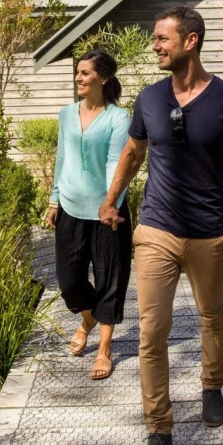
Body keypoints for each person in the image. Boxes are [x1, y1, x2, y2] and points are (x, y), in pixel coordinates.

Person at [99, 5, 223, 445]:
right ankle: (159, 430)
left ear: (191, 41)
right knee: (152, 332)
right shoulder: (148, 99)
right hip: (156, 231)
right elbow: (133, 154)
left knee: (212, 316)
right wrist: (111, 202)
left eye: (163, 38)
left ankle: (212, 386)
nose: (155, 46)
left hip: (209, 234)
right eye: (155, 38)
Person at [46, 50, 132, 380]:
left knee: (111, 279)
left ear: (104, 78)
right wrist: (54, 200)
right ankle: (87, 319)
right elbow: (62, 159)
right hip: (70, 205)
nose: (78, 78)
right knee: (69, 281)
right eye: (78, 73)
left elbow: (117, 163)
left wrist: (112, 203)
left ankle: (104, 349)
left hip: (106, 211)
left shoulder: (117, 118)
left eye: (85, 73)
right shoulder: (67, 114)